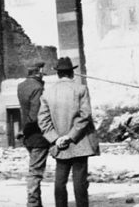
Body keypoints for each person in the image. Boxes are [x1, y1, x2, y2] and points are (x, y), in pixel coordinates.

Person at [38, 57, 99, 207]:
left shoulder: (47, 93)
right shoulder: (81, 89)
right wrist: (70, 136)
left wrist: (56, 139)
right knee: (80, 182)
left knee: (60, 181)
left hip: (60, 145)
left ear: (58, 74)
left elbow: (43, 121)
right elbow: (85, 115)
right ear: (72, 73)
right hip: (80, 143)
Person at [17, 60, 50, 207]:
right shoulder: (38, 87)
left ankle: (37, 203)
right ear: (38, 72)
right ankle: (33, 203)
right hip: (38, 135)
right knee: (35, 172)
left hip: (28, 136)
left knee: (34, 169)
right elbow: (35, 114)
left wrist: (24, 131)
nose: (43, 74)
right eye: (42, 71)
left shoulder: (21, 86)